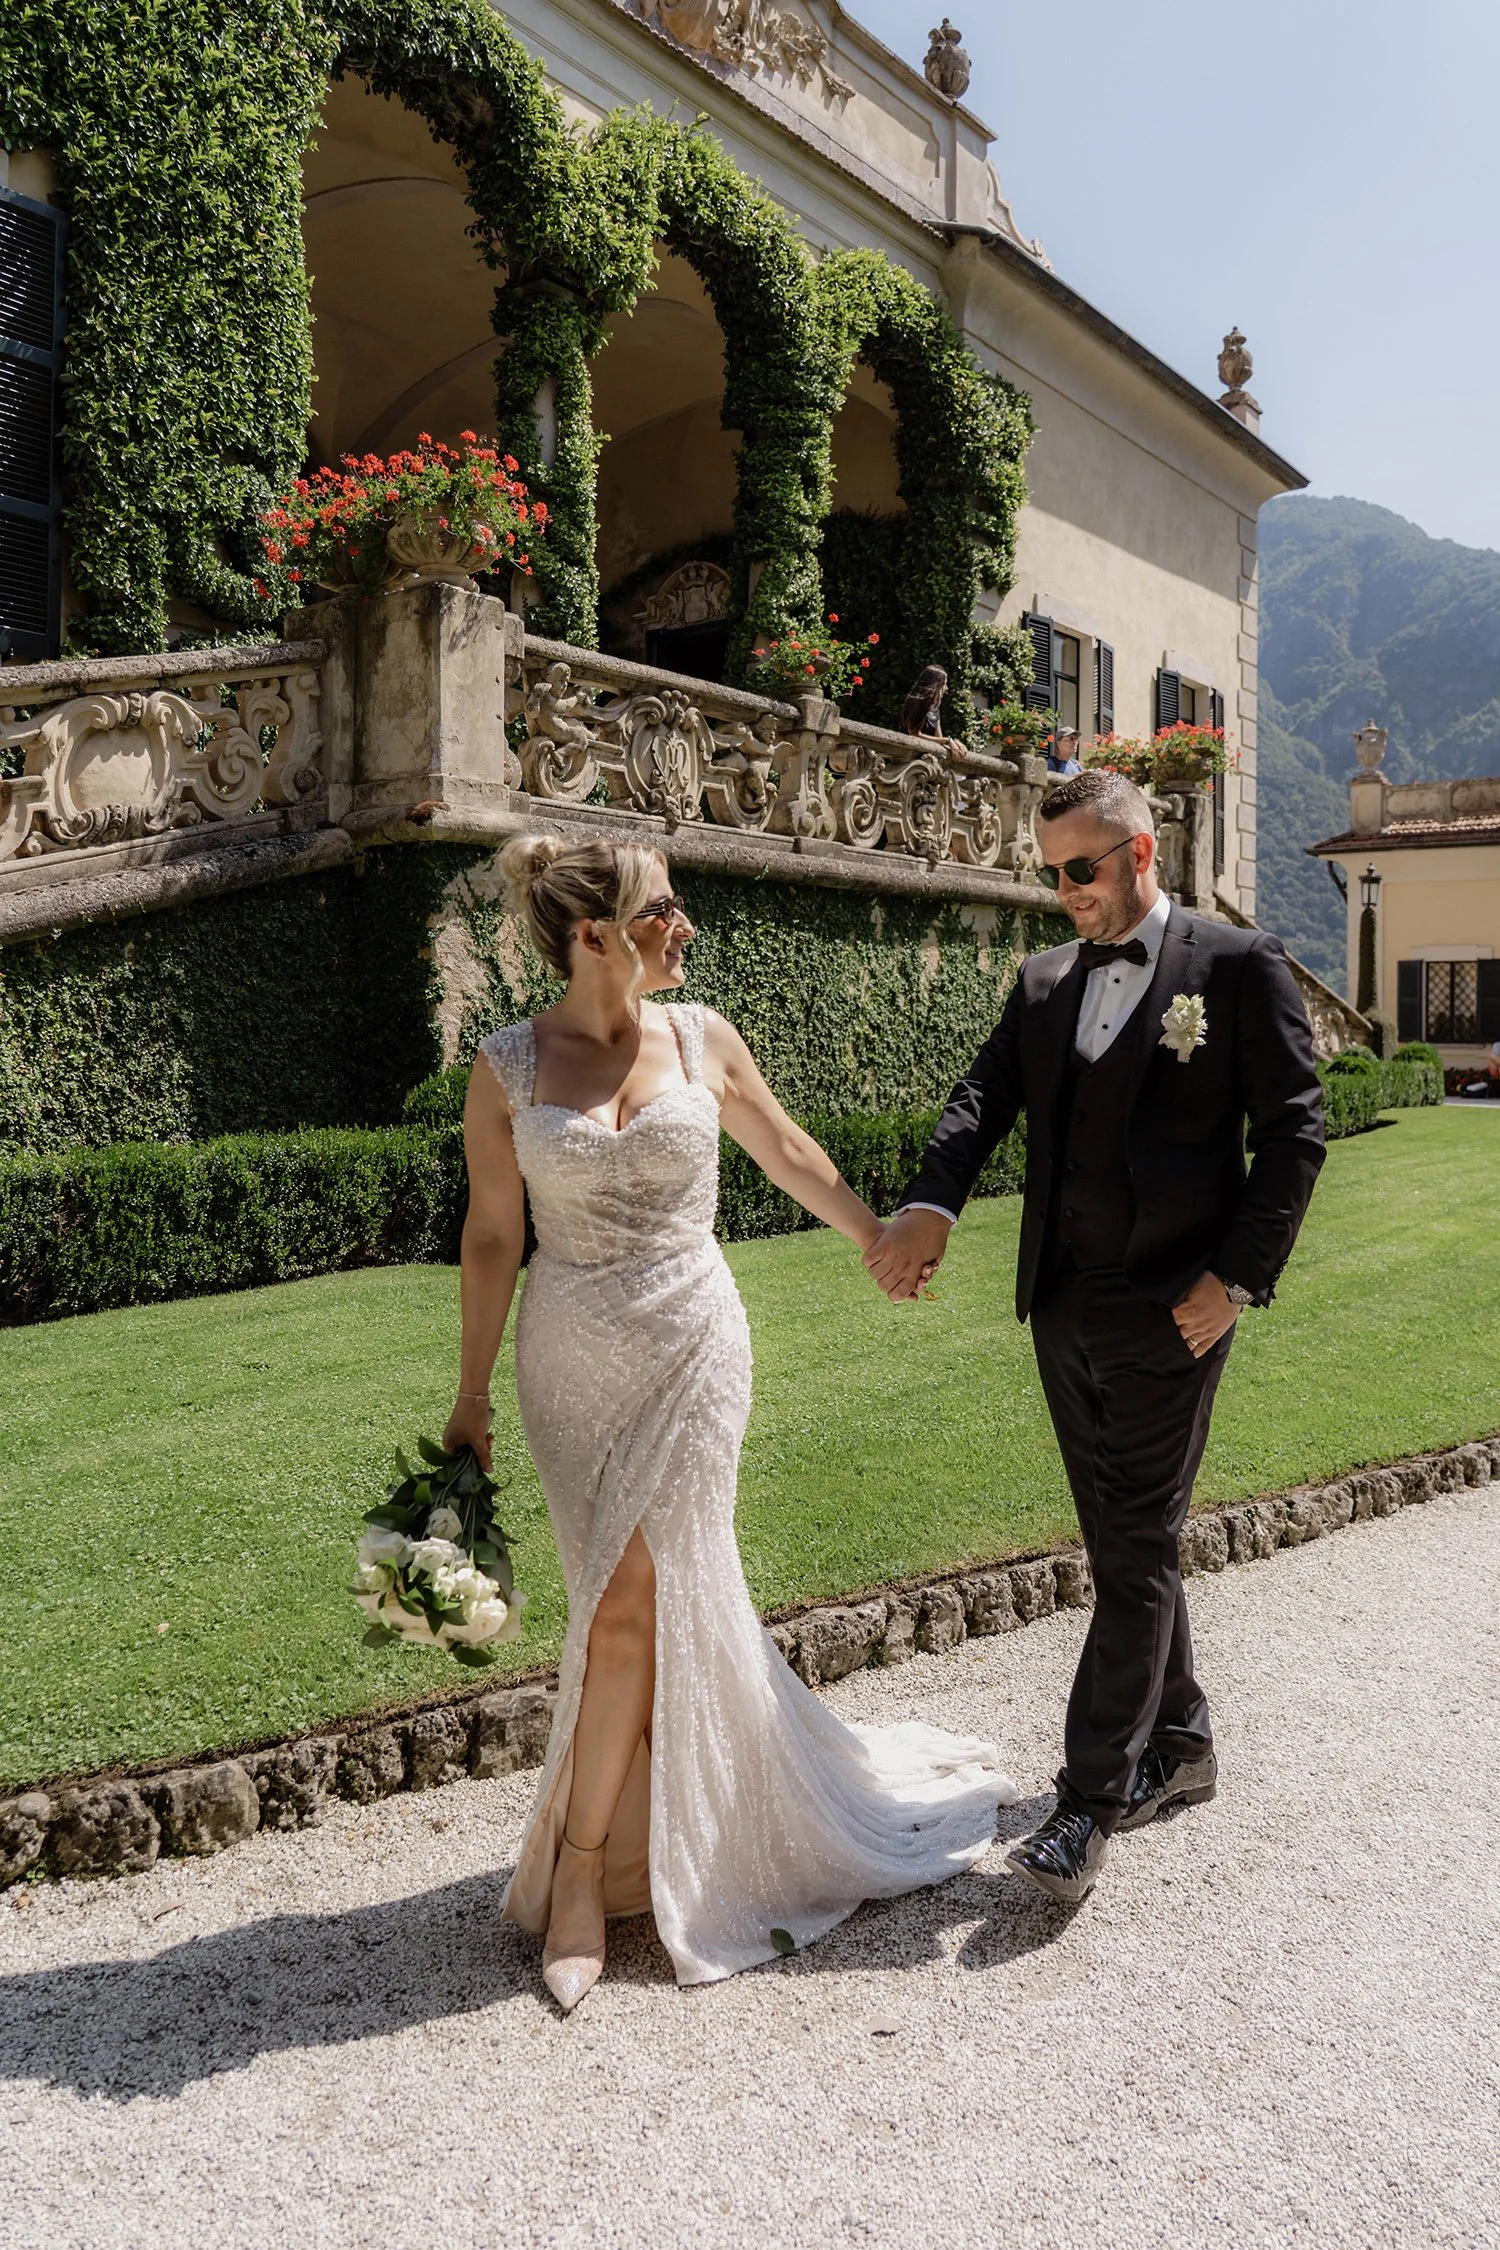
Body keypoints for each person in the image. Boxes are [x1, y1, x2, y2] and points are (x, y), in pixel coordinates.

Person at [446, 834, 1015, 2009]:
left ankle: (583, 1877)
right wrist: (468, 1396)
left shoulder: (701, 1037)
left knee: (640, 1602)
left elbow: (788, 1148)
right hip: (570, 1367)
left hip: (694, 1347)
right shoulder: (506, 1065)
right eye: (666, 910)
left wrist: (876, 1240)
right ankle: (628, 1850)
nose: (687, 927)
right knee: (619, 1606)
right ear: (594, 935)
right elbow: (495, 1235)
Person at [863, 769, 1324, 1906]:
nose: (1065, 891)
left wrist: (1237, 1282)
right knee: (1129, 1539)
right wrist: (933, 1200)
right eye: (1051, 872)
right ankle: (1186, 1739)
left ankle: (1088, 1801)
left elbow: (1298, 1132)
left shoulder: (1233, 968)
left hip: (1179, 1306)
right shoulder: (1041, 982)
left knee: (1129, 1545)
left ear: (1141, 852)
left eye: (1083, 867)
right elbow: (981, 1101)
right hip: (1062, 1303)